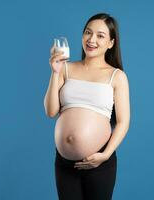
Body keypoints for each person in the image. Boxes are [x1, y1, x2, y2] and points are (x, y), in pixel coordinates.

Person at [44, 13, 130, 200]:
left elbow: (123, 122)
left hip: (99, 163)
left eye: (100, 35)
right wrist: (55, 72)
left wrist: (105, 155)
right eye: (88, 33)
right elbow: (51, 111)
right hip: (64, 163)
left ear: (111, 43)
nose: (92, 40)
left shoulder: (117, 76)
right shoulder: (66, 68)